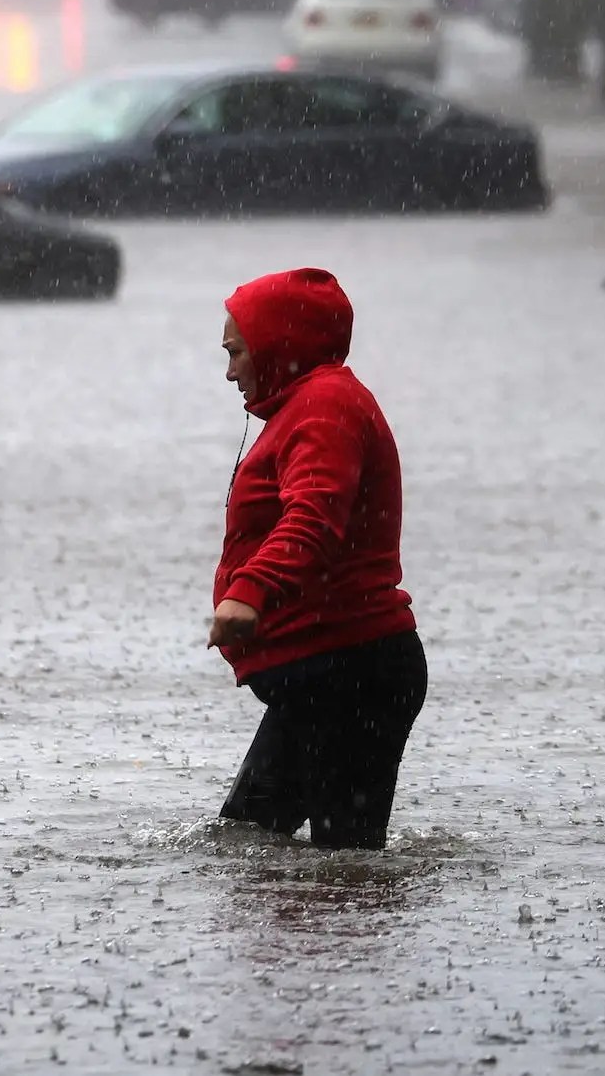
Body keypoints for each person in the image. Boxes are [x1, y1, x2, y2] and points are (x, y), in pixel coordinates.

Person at [208, 268, 427, 850]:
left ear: (278, 342)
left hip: (352, 670)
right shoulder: (310, 405)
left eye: (236, 353)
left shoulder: (325, 407)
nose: (229, 371)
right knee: (245, 847)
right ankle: (306, 944)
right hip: (330, 673)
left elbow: (313, 516)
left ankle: (352, 944)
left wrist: (248, 592)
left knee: (345, 868)